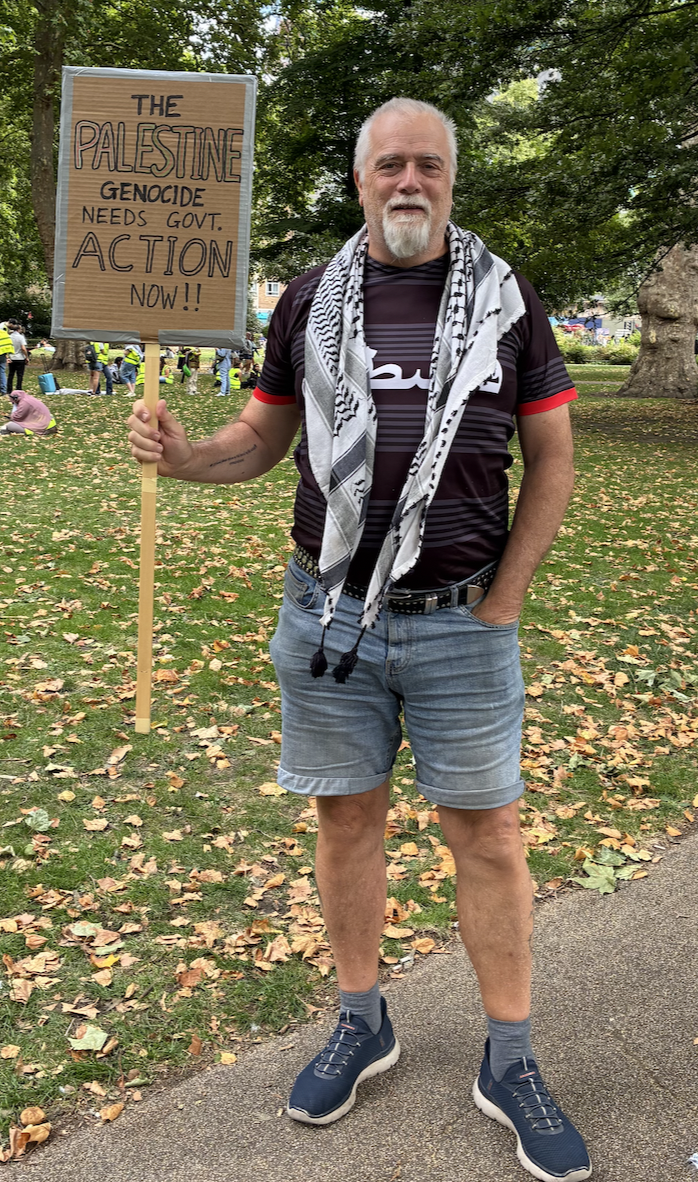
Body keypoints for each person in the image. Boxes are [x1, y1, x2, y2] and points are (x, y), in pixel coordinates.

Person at [128, 97, 590, 1182]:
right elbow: (259, 439)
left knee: (488, 839)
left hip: (461, 621)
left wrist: (505, 601)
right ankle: (360, 1020)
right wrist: (186, 457)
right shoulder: (307, 299)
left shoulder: (506, 298)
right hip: (326, 614)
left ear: (451, 181)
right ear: (360, 181)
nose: (408, 183)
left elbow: (554, 458)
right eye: (390, 166)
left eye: (428, 165)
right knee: (345, 824)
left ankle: (510, 1060)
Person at [6, 321, 29, 393]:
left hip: (12, 357)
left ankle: (9, 389)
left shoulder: (9, 337)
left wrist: (7, 357)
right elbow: (23, 348)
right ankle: (18, 388)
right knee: (20, 375)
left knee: (11, 374)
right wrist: (26, 356)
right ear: (18, 330)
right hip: (20, 358)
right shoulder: (21, 337)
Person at [0, 322, 13, 396]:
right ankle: (3, 390)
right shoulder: (6, 335)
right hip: (3, 354)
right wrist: (7, 356)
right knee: (2, 372)